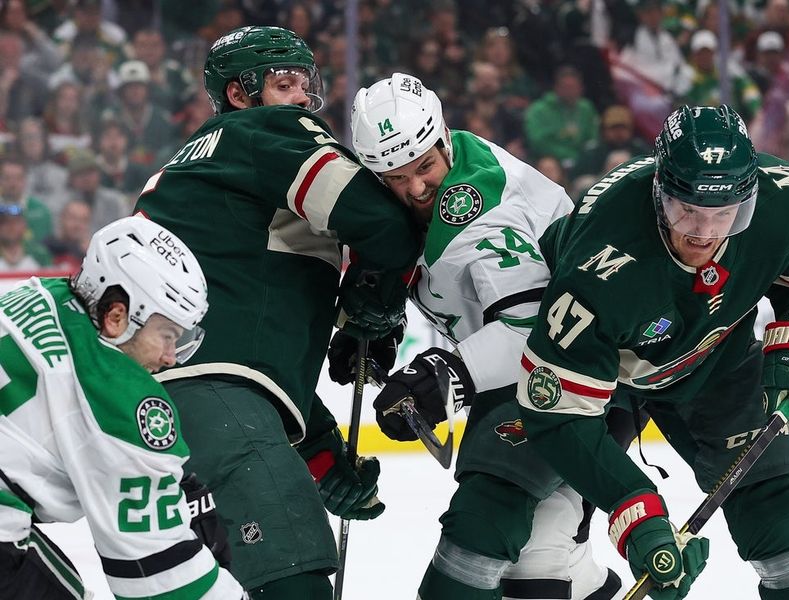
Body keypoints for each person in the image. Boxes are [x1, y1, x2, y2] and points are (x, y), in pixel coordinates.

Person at [516, 105, 789, 599]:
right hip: (602, 377)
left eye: (724, 214)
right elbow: (558, 415)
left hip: (715, 359)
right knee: (536, 537)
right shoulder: (599, 259)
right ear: (659, 191)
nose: (704, 231)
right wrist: (637, 513)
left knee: (776, 509)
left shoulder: (785, 197)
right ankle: (583, 579)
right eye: (686, 209)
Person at [133, 26, 421, 599]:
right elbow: (385, 223)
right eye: (283, 83)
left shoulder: (181, 169)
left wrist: (318, 455)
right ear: (241, 95)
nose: (299, 99)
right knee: (295, 583)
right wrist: (376, 302)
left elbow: (235, 344)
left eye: (304, 84)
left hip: (157, 422)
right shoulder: (265, 131)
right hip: (214, 403)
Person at [344, 72, 626, 600]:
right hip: (534, 383)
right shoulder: (440, 177)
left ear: (443, 138)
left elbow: (534, 333)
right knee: (546, 553)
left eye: (424, 167)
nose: (415, 189)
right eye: (394, 178)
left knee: (512, 552)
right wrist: (380, 319)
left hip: (584, 376)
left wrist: (445, 375)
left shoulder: (480, 213)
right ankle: (586, 582)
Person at [0, 216, 245, 599]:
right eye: (167, 336)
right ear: (117, 317)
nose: (170, 358)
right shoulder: (118, 390)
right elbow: (158, 579)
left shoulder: (36, 295)